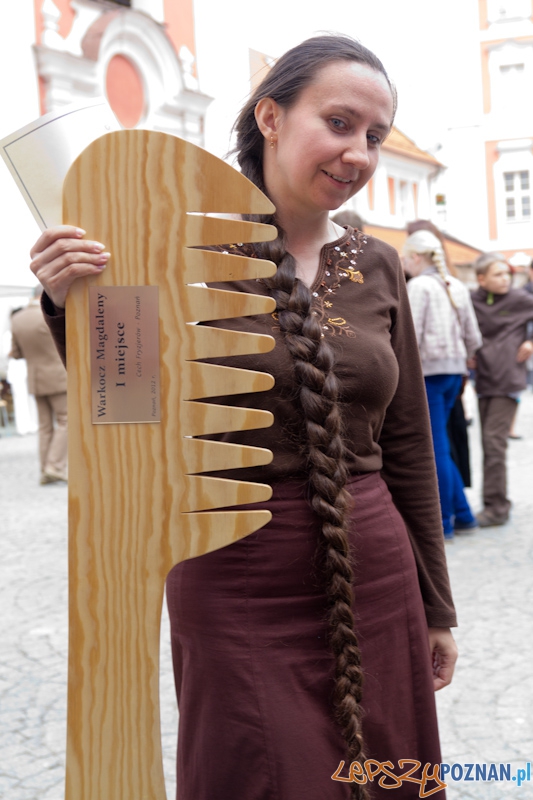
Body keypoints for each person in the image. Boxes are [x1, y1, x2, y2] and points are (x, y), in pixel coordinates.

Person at [29, 35, 458, 799]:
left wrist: (435, 606)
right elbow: (127, 412)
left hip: (374, 568)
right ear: (270, 116)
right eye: (338, 123)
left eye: (374, 136)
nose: (357, 153)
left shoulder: (379, 263)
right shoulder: (170, 251)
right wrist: (73, 304)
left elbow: (407, 445)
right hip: (234, 569)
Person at [403, 231, 482, 540]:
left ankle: (444, 522)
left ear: (416, 256)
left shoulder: (419, 286)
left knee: (435, 449)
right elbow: (473, 336)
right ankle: (464, 515)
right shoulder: (455, 285)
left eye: (406, 258)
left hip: (429, 375)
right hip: (454, 373)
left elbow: (409, 336)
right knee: (442, 446)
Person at [471, 253, 533, 527]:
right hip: (483, 379)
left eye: (507, 273)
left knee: (494, 443)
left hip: (508, 379)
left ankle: (497, 508)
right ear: (481, 279)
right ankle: (493, 502)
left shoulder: (520, 299)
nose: (505, 279)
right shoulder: (472, 300)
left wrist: (531, 341)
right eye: (498, 274)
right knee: (487, 443)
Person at [9, 287, 68, 483]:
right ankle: (55, 466)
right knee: (66, 421)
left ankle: (45, 469)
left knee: (44, 427)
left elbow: (16, 353)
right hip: (57, 376)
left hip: (35, 379)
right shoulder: (49, 314)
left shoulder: (17, 319)